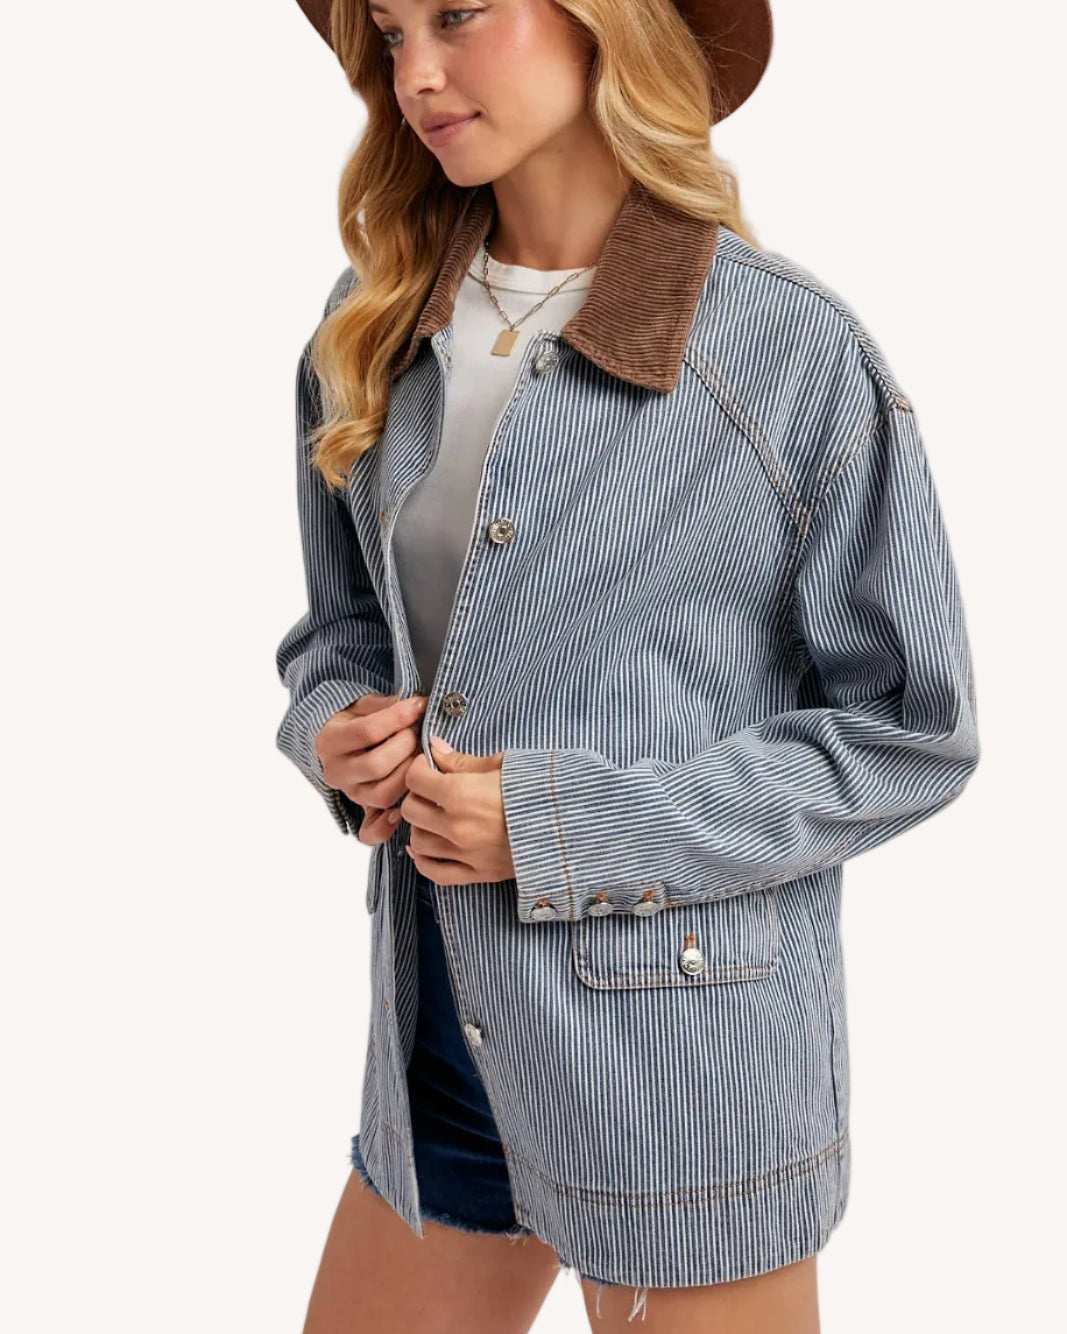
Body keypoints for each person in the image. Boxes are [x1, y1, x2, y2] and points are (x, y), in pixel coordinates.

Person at [273, 1, 981, 1329]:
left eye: (458, 13)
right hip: (438, 1042)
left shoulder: (783, 355)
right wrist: (337, 725)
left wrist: (559, 825)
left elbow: (910, 730)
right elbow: (343, 628)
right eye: (389, 30)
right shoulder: (374, 321)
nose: (415, 71)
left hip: (683, 1067)